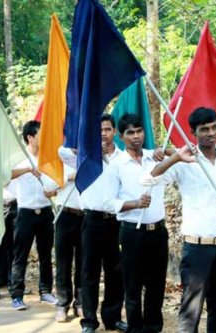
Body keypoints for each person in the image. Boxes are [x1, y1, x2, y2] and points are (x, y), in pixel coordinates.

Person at [146, 107, 216, 333]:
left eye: (214, 127)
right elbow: (149, 179)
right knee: (191, 309)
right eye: (204, 129)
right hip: (196, 247)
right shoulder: (184, 162)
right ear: (193, 133)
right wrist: (173, 158)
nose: (211, 133)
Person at [59, 114, 127, 333]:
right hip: (91, 220)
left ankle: (112, 317)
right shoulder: (84, 156)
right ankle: (89, 320)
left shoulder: (122, 158)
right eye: (98, 131)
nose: (103, 134)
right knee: (89, 272)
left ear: (114, 132)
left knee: (115, 272)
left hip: (116, 221)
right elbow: (61, 151)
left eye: (107, 129)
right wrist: (87, 147)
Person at [103, 114, 170, 333]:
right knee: (132, 287)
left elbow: (186, 157)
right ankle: (135, 329)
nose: (136, 137)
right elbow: (109, 202)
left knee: (156, 286)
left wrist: (168, 152)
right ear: (121, 137)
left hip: (158, 232)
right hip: (132, 233)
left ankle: (153, 328)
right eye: (130, 133)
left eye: (139, 131)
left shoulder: (156, 158)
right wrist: (134, 203)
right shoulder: (117, 165)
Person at [8, 120, 59, 311]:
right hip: (26, 213)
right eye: (40, 134)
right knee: (20, 255)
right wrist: (28, 169)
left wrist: (53, 193)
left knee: (46, 254)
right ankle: (17, 295)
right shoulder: (21, 158)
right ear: (30, 137)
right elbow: (5, 175)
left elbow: (56, 182)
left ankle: (45, 291)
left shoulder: (48, 158)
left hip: (45, 212)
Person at [53, 150, 84, 322]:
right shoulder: (59, 157)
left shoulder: (90, 158)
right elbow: (48, 186)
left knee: (83, 262)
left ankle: (80, 303)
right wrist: (69, 178)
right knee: (63, 262)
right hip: (64, 215)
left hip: (85, 215)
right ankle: (62, 303)